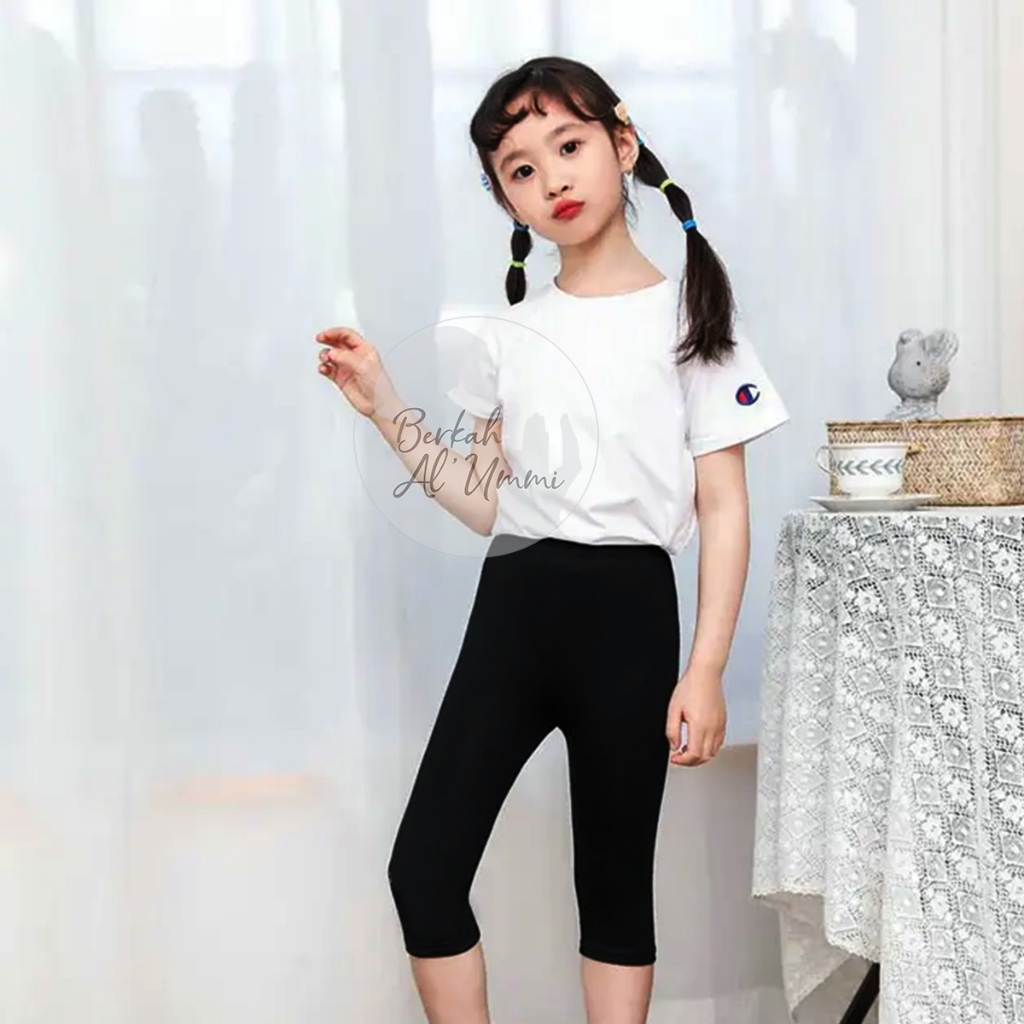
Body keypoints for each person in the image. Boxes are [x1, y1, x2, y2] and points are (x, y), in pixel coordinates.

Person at [314, 55, 789, 1024]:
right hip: (515, 608)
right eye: (521, 170)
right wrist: (384, 406)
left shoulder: (692, 318)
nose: (553, 178)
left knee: (613, 892)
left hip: (628, 620)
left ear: (623, 142)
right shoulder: (509, 335)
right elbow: (484, 502)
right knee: (424, 868)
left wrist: (704, 668)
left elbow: (724, 506)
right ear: (507, 202)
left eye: (569, 146)